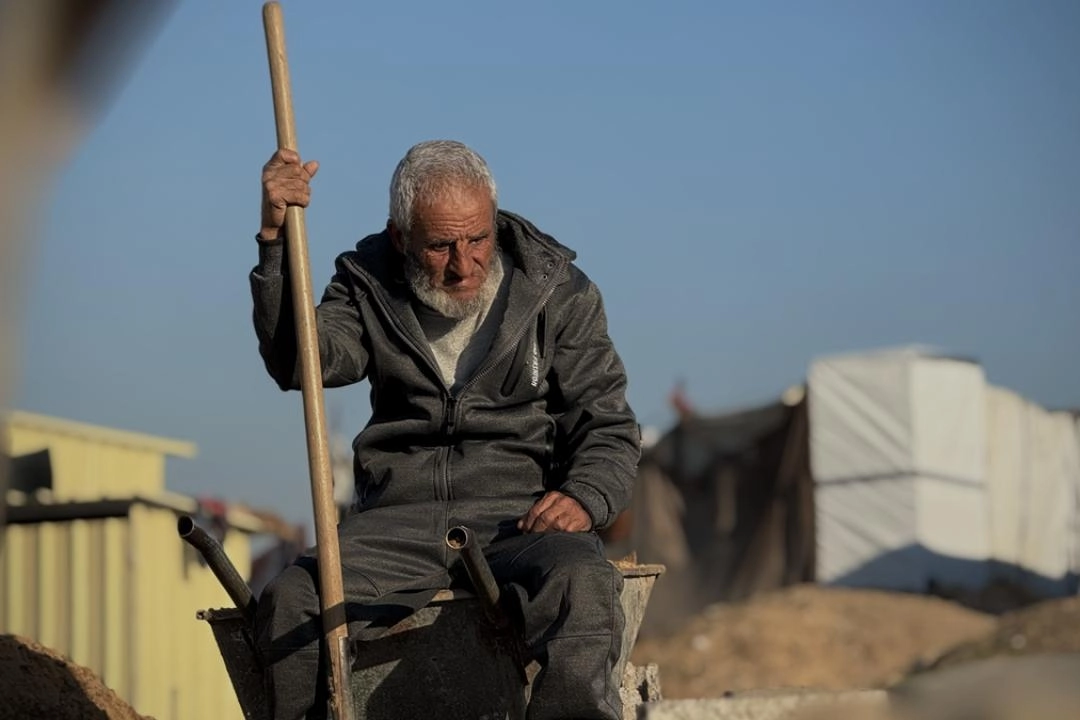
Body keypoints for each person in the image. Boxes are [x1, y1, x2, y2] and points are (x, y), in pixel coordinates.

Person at [250, 139, 640, 720]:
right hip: (396, 523)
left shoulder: (558, 291)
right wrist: (276, 241)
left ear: (495, 222)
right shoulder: (365, 285)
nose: (463, 265)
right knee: (293, 601)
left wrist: (584, 497)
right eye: (440, 246)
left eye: (477, 239)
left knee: (584, 582)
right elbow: (302, 363)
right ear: (401, 237)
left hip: (518, 518)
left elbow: (607, 425)